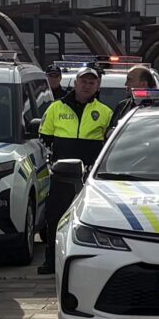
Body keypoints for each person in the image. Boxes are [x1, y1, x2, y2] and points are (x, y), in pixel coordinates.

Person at [35, 67, 113, 272]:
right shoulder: (55, 108)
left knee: (92, 217)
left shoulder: (105, 112)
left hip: (90, 177)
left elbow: (109, 145)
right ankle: (51, 260)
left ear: (97, 86)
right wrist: (54, 162)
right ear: (75, 83)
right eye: (83, 81)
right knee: (55, 217)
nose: (87, 85)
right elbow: (45, 138)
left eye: (92, 82)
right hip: (62, 174)